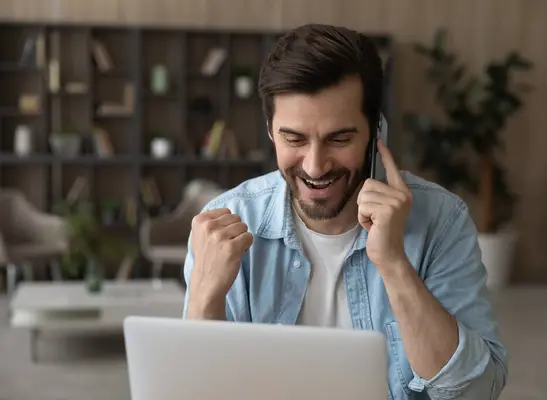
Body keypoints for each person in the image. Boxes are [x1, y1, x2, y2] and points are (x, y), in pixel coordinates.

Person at [182, 23, 507, 400]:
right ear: (270, 131)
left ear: (376, 133)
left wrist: (394, 264)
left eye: (339, 138)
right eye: (294, 139)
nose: (315, 166)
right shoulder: (225, 222)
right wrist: (204, 300)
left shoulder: (440, 220)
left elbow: (475, 391)